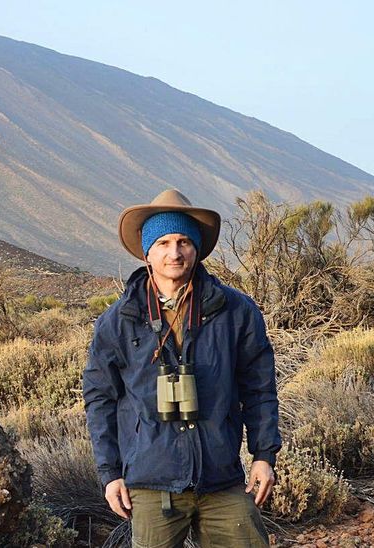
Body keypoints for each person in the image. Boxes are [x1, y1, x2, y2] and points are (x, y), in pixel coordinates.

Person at [82, 189, 281, 547]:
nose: (174, 252)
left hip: (220, 476)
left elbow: (259, 387)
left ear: (197, 249)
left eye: (184, 241)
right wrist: (110, 473)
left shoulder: (235, 311)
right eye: (163, 242)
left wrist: (264, 455)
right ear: (147, 252)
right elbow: (100, 399)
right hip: (150, 480)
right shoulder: (118, 320)